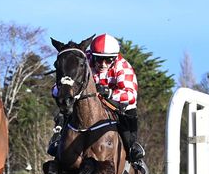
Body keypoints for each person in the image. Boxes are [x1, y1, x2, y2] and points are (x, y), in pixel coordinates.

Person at [47, 33, 145, 163]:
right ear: (92, 55)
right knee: (65, 112)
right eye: (98, 59)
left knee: (128, 120)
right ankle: (58, 140)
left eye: (108, 60)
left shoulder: (123, 67)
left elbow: (131, 96)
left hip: (117, 104)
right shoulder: (83, 59)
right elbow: (62, 85)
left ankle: (132, 149)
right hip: (89, 101)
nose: (103, 64)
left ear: (115, 58)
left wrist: (109, 93)